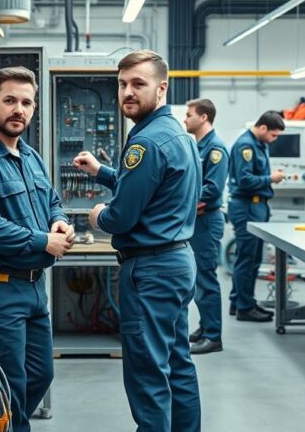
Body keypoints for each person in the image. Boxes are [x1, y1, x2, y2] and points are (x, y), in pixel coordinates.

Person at [73, 50, 202, 432]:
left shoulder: (145, 142)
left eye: (138, 84)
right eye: (122, 84)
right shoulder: (176, 133)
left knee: (147, 374)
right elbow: (154, 187)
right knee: (178, 365)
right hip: (177, 262)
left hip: (151, 271)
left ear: (161, 88)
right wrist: (103, 172)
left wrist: (97, 216)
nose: (127, 92)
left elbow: (122, 217)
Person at [0, 66, 75, 432]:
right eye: (10, 101)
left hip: (32, 287)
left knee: (41, 373)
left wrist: (58, 220)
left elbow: (53, 200)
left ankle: (1, 424)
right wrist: (45, 241)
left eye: (26, 102)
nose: (18, 110)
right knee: (10, 387)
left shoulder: (30, 156)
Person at [227, 110, 286, 323]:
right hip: (248, 207)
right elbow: (244, 180)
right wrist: (270, 178)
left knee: (249, 258)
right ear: (263, 128)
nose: (274, 139)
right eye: (273, 135)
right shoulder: (247, 145)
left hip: (256, 207)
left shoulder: (258, 143)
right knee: (248, 259)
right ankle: (245, 307)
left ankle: (239, 301)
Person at [183, 98, 229, 355]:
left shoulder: (215, 149)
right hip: (198, 221)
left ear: (203, 118)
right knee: (199, 279)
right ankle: (205, 326)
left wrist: (183, 200)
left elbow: (212, 190)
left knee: (206, 279)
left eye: (189, 115)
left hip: (207, 222)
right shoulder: (198, 145)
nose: (185, 119)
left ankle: (213, 336)